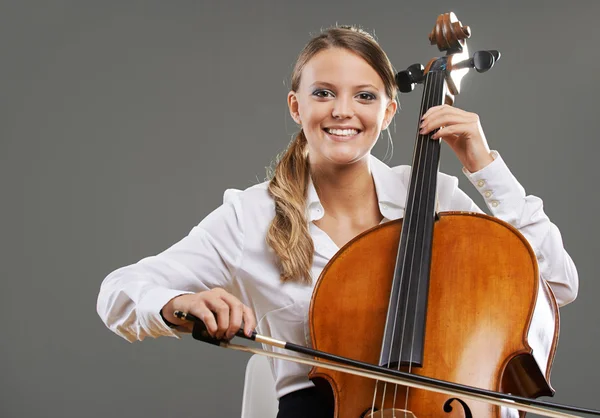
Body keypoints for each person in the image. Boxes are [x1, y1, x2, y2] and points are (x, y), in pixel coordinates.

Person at [96, 25, 578, 418]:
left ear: (389, 111)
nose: (343, 111)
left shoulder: (437, 202)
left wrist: (483, 166)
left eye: (365, 96)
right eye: (324, 93)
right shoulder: (251, 216)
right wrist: (180, 302)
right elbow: (119, 291)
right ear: (296, 106)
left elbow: (555, 281)